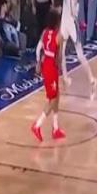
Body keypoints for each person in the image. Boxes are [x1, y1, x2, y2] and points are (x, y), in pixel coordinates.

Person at [31, 9, 66, 141]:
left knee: (57, 95)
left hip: (46, 63)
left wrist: (38, 62)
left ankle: (55, 128)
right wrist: (63, 74)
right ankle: (37, 125)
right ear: (57, 22)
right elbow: (60, 58)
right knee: (53, 99)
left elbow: (38, 48)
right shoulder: (59, 36)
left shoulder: (45, 32)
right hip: (52, 67)